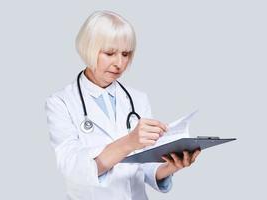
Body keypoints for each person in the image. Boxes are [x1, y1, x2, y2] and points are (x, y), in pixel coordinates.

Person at [45, 10, 201, 200]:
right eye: (110, 53)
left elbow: (143, 165)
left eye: (126, 54)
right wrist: (129, 142)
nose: (119, 63)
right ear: (89, 49)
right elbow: (74, 168)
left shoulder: (138, 99)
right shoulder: (61, 102)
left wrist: (171, 166)